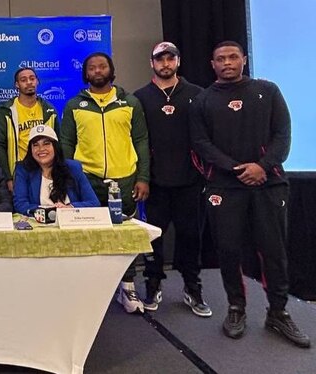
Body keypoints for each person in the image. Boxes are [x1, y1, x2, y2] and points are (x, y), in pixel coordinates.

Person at [190, 41, 309, 347]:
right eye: (220, 58)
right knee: (228, 250)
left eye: (232, 57)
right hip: (224, 187)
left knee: (274, 250)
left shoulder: (267, 91)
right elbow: (201, 143)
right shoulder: (203, 101)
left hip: (268, 184)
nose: (227, 62)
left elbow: (283, 134)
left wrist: (262, 166)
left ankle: (278, 312)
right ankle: (235, 308)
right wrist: (236, 168)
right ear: (212, 64)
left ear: (244, 59)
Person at [58, 51, 150, 314]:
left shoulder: (129, 102)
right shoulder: (75, 104)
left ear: (111, 71)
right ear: (86, 74)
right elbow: (66, 143)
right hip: (86, 180)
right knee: (87, 233)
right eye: (92, 68)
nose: (97, 71)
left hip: (124, 179)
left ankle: (128, 286)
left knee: (124, 235)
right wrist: (69, 178)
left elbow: (141, 141)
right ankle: (89, 289)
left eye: (102, 66)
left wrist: (143, 177)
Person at [133, 42, 211, 317]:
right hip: (154, 183)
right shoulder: (140, 97)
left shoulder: (198, 95)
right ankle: (152, 284)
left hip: (190, 181)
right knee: (154, 238)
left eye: (170, 58)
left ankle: (193, 288)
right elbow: (136, 141)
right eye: (159, 59)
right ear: (151, 63)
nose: (165, 63)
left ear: (178, 61)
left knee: (191, 237)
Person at [0, 67, 59, 193]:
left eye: (32, 78)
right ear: (17, 85)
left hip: (45, 171)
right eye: (23, 80)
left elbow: (58, 143)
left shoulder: (49, 110)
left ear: (37, 82)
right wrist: (8, 178)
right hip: (19, 172)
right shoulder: (6, 111)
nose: (29, 82)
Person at [13, 125, 99, 215]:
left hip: (70, 222)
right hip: (39, 224)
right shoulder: (23, 169)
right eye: (35, 145)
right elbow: (20, 204)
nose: (41, 149)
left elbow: (93, 202)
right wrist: (47, 211)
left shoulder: (73, 168)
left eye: (46, 144)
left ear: (55, 147)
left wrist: (69, 208)